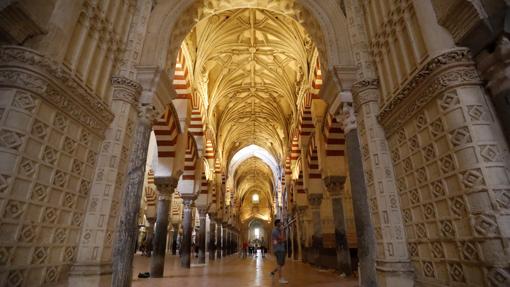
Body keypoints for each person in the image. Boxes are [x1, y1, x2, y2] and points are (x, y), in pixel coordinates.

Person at [270, 219, 288, 284]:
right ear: (277, 224)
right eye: (280, 223)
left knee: (281, 264)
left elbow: (283, 239)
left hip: (281, 248)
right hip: (279, 249)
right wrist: (283, 230)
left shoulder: (278, 230)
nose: (281, 224)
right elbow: (282, 238)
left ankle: (273, 273)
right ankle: (280, 279)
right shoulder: (275, 231)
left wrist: (282, 239)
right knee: (280, 264)